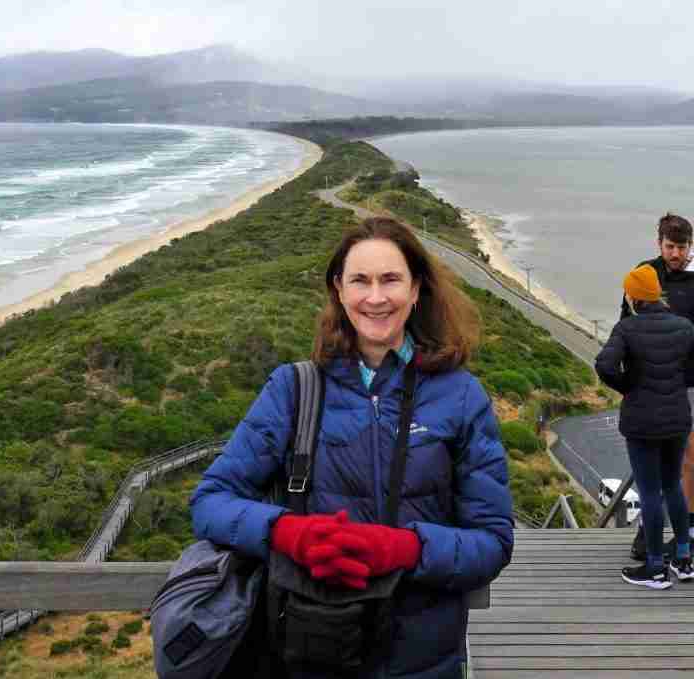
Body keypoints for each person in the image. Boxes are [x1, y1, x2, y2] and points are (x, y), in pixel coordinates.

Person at [190, 217, 514, 678]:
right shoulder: (293, 389)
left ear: (417, 289)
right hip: (314, 646)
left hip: (423, 660)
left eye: (391, 280)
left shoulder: (460, 396)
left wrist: (406, 549)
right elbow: (209, 502)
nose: (376, 297)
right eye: (360, 281)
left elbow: (493, 542)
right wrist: (289, 534)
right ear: (339, 291)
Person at [597, 264, 694, 587]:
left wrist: (628, 386)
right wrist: (678, 383)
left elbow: (604, 364)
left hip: (642, 422)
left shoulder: (627, 329)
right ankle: (683, 558)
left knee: (650, 492)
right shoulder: (684, 327)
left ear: (633, 296)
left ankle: (654, 566)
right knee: (673, 486)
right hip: (678, 418)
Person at [624, 214, 694, 562]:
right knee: (653, 470)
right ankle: (648, 537)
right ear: (659, 244)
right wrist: (627, 382)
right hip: (647, 385)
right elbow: (626, 323)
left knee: (686, 464)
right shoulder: (644, 273)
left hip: (687, 383)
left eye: (682, 247)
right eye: (670, 247)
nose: (676, 254)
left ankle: (684, 541)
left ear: (690, 247)